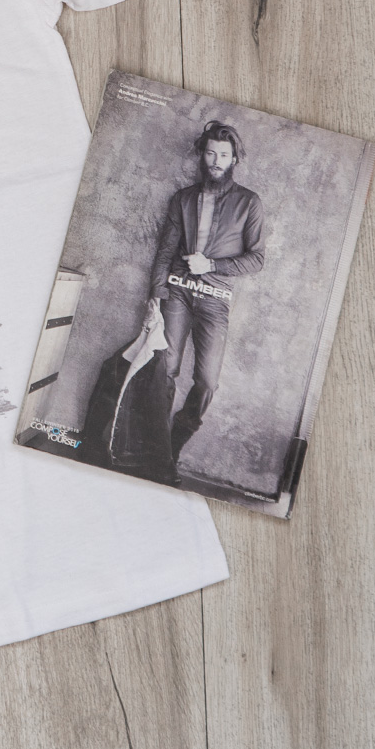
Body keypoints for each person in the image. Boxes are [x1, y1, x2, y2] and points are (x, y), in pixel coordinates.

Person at [144, 120, 265, 484]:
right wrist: (155, 296)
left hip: (215, 299)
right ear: (202, 155)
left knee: (208, 381)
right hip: (177, 292)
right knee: (164, 369)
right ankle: (158, 457)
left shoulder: (249, 203)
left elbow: (257, 260)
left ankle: (173, 446)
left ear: (234, 159)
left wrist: (212, 265)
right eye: (210, 153)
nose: (216, 161)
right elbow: (165, 252)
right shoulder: (182, 198)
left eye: (223, 155)